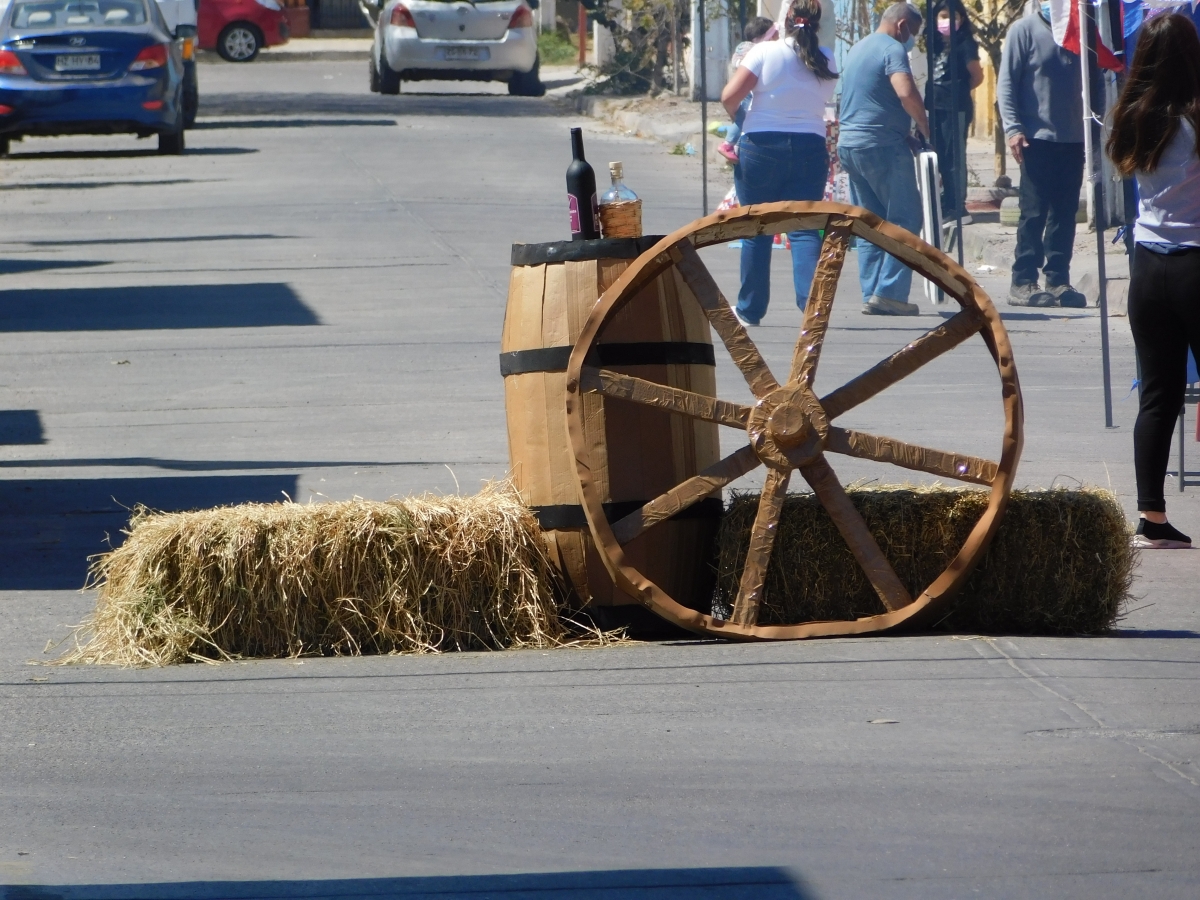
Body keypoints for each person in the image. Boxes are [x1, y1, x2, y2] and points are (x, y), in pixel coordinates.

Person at [1106, 12, 1200, 549]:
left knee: (1158, 397)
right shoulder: (1195, 120)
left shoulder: (1133, 118)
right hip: (1194, 262)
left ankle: (1152, 518)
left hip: (1148, 267)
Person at [720, 0, 838, 326]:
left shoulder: (763, 52)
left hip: (761, 146)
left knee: (756, 229)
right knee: (803, 231)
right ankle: (812, 309)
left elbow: (730, 96)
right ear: (817, 22)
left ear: (784, 18)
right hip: (810, 147)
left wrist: (741, 120)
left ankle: (750, 309)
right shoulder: (827, 58)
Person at [836, 2, 930, 316]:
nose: (912, 40)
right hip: (881, 146)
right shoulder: (892, 49)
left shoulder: (858, 48)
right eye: (913, 33)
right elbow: (904, 91)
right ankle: (889, 292)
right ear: (902, 25)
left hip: (851, 145)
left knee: (870, 222)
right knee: (905, 219)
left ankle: (873, 292)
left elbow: (865, 97)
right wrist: (924, 126)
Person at [997, 3, 1087, 308]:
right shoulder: (1023, 31)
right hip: (1035, 139)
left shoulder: (1082, 31)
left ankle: (1058, 279)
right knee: (1034, 214)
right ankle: (1023, 281)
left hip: (1073, 139)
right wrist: (1013, 128)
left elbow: (1096, 80)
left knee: (1065, 215)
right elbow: (1006, 84)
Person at [925, 0, 984, 222]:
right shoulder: (934, 44)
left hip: (955, 108)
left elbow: (977, 76)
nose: (948, 21)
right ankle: (945, 200)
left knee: (954, 157)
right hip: (934, 107)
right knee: (938, 156)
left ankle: (957, 206)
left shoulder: (965, 44)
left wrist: (956, 90)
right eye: (942, 16)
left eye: (954, 16)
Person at [718, 17, 778, 163]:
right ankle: (727, 144)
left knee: (742, 120)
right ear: (766, 37)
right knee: (742, 120)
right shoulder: (757, 51)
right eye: (774, 35)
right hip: (748, 91)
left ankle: (734, 148)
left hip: (742, 89)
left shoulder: (742, 47)